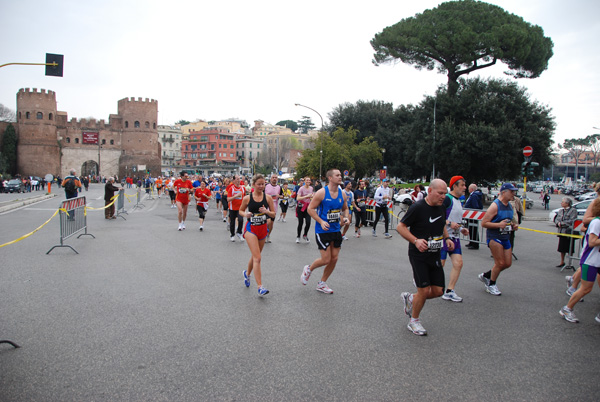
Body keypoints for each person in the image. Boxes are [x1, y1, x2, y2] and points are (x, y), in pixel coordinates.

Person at [397, 179, 454, 336]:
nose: (443, 197)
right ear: (430, 191)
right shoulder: (418, 208)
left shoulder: (441, 207)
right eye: (440, 193)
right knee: (424, 290)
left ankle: (411, 298)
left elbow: (441, 223)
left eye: (445, 194)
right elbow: (400, 227)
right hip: (418, 255)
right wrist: (415, 240)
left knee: (438, 291)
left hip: (434, 254)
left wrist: (447, 238)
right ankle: (414, 321)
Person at [301, 169, 349, 294]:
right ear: (330, 178)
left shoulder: (342, 194)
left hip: (336, 229)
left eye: (340, 175)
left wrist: (345, 217)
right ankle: (309, 269)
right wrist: (321, 221)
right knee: (326, 259)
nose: (340, 177)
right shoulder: (321, 193)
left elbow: (345, 208)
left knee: (334, 259)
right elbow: (310, 209)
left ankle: (322, 283)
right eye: (337, 175)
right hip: (322, 231)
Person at [560, 199, 600, 323]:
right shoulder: (597, 222)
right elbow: (592, 242)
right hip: (591, 261)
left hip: (598, 261)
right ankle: (567, 308)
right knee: (586, 288)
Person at [478, 183, 519, 296]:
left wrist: (513, 226)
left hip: (506, 236)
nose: (513, 194)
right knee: (500, 263)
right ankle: (491, 284)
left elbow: (509, 221)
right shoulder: (495, 206)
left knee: (507, 263)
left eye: (514, 192)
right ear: (504, 192)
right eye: (511, 192)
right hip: (494, 237)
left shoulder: (509, 205)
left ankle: (486, 275)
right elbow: (484, 223)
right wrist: (498, 225)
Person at [240, 174, 276, 297]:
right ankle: (260, 286)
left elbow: (273, 214)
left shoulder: (268, 198)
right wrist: (246, 215)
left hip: (262, 229)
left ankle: (247, 274)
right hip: (251, 229)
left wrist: (266, 212)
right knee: (258, 258)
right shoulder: (247, 198)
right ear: (254, 184)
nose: (261, 186)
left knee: (256, 256)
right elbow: (240, 210)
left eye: (263, 184)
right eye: (259, 184)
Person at [440, 176, 470, 302]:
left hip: (455, 237)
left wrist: (461, 228)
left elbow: (455, 218)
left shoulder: (460, 200)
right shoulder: (447, 199)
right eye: (462, 185)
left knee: (458, 263)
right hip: (443, 236)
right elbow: (438, 216)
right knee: (439, 264)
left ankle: (449, 291)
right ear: (454, 186)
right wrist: (450, 223)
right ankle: (422, 278)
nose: (465, 188)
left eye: (465, 185)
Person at [555, 197, 577, 268]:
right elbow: (557, 219)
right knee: (562, 248)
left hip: (569, 232)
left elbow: (572, 221)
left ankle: (569, 263)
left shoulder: (573, 210)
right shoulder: (561, 211)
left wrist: (562, 224)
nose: (561, 203)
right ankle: (562, 261)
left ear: (567, 203)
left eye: (563, 202)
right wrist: (558, 223)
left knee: (569, 248)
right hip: (561, 232)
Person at [464, 183, 483, 249]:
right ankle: (471, 242)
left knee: (473, 229)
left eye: (469, 189)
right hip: (471, 215)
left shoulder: (474, 196)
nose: (468, 190)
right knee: (471, 229)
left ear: (471, 189)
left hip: (472, 215)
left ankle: (475, 243)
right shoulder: (474, 195)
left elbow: (475, 206)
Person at [227, 175, 246, 242]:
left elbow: (245, 198)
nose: (238, 180)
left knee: (240, 220)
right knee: (232, 222)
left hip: (240, 208)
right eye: (237, 179)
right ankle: (232, 235)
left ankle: (239, 233)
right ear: (234, 180)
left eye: (239, 179)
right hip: (232, 208)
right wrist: (235, 196)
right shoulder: (231, 189)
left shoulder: (243, 188)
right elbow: (228, 199)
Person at [296, 177, 314, 243]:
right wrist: (306, 196)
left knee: (308, 222)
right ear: (304, 181)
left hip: (308, 207)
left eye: (309, 180)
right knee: (300, 223)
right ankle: (298, 236)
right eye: (307, 180)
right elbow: (298, 198)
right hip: (301, 207)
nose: (308, 181)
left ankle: (305, 235)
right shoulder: (301, 188)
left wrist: (312, 197)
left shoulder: (311, 188)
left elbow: (311, 197)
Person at [264, 174, 281, 243]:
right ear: (270, 179)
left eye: (276, 178)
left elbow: (282, 196)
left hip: (274, 208)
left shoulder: (279, 187)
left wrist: (278, 196)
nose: (274, 179)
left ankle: (268, 235)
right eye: (273, 177)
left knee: (271, 224)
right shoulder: (266, 186)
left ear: (277, 179)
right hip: (266, 207)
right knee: (268, 222)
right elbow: (262, 194)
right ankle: (264, 235)